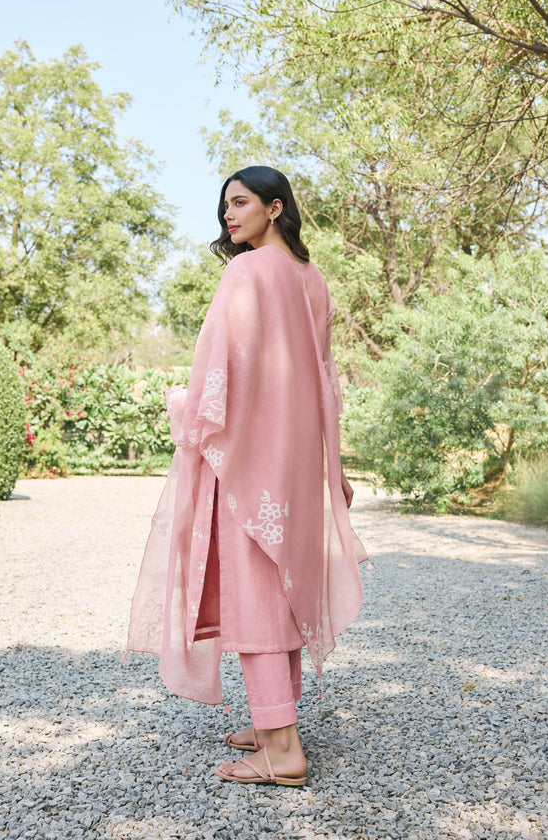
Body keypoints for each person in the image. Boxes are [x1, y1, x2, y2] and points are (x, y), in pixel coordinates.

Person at [127, 166, 367, 787]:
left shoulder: (247, 271)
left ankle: (283, 751)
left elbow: (221, 365)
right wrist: (333, 467)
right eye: (225, 207)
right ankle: (272, 724)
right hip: (297, 463)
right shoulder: (313, 280)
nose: (229, 216)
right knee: (281, 587)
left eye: (239, 202)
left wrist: (192, 417)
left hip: (252, 459)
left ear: (274, 206)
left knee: (256, 591)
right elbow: (326, 384)